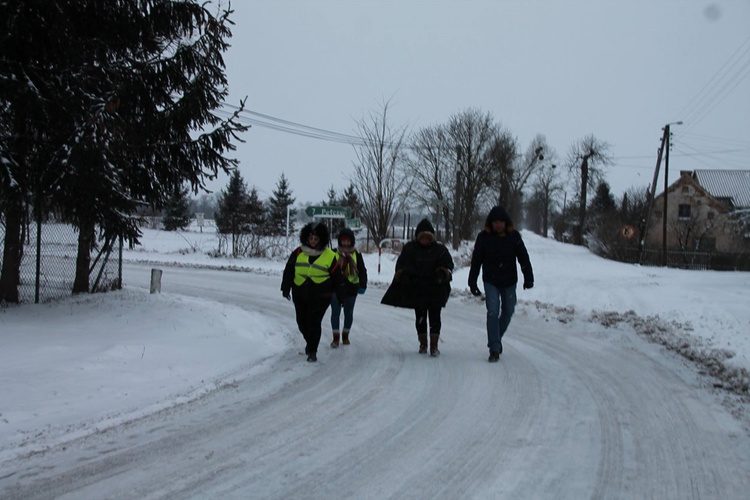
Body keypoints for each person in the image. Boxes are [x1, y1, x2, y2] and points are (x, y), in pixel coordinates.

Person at [468, 205, 534, 362]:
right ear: (490, 223)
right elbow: (476, 261)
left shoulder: (514, 237)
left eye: (501, 222)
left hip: (509, 280)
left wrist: (528, 277)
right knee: (492, 311)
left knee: (508, 310)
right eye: (495, 222)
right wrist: (472, 281)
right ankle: (494, 349)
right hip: (490, 280)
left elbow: (523, 257)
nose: (498, 225)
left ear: (506, 223)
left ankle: (495, 338)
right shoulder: (483, 238)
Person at [381, 218, 454, 356]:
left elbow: (449, 266)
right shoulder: (410, 249)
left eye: (428, 238)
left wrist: (442, 274)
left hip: (435, 289)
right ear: (418, 237)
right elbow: (401, 266)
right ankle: (423, 343)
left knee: (435, 317)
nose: (425, 240)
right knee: (420, 317)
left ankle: (434, 345)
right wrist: (405, 277)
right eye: (422, 237)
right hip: (417, 289)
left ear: (432, 238)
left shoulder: (440, 250)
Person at [281, 222, 343, 362]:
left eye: (316, 239)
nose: (313, 242)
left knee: (314, 322)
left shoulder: (329, 255)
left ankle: (312, 351)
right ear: (306, 239)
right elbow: (289, 271)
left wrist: (340, 295)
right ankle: (310, 342)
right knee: (301, 321)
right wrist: (285, 288)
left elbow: (337, 277)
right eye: (311, 239)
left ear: (321, 239)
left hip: (321, 295)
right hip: (300, 292)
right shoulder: (298, 252)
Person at [330, 228, 368, 348]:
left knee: (348, 313)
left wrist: (362, 285)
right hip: (336, 288)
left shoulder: (357, 254)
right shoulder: (333, 253)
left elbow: (362, 271)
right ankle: (335, 338)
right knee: (335, 312)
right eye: (343, 241)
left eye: (348, 241)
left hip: (351, 288)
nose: (345, 243)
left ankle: (345, 335)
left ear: (352, 241)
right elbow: (328, 270)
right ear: (340, 241)